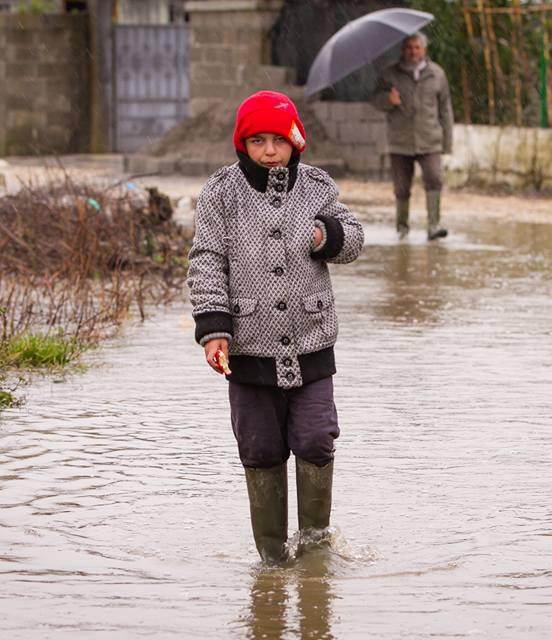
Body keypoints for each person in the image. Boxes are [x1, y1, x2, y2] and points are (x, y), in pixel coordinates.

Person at [187, 90, 364, 563]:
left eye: (278, 140)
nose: (269, 150)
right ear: (242, 144)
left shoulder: (317, 186)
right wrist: (214, 328)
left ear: (296, 141)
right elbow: (207, 261)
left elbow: (354, 239)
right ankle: (272, 560)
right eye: (257, 140)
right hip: (247, 348)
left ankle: (314, 550)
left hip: (311, 340)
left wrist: (325, 235)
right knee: (260, 448)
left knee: (316, 437)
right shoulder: (220, 193)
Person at [371, 32, 455, 241]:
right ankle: (402, 228)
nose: (413, 51)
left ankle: (433, 226)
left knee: (434, 178)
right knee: (401, 187)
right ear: (402, 50)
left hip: (430, 139)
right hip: (400, 139)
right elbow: (374, 100)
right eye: (409, 47)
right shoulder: (390, 74)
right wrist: (388, 100)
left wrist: (447, 142)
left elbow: (445, 109)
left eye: (417, 47)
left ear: (424, 50)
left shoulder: (437, 74)